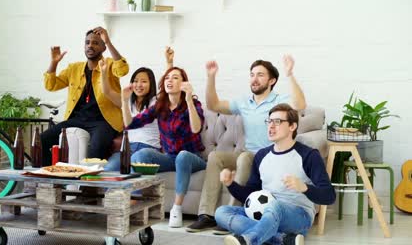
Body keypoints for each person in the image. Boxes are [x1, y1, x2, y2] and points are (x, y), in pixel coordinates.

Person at [187, 55, 307, 233]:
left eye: (260, 75)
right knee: (215, 157)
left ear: (272, 80)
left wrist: (290, 74)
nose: (254, 79)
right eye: (252, 74)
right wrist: (211, 77)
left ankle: (236, 215)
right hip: (248, 152)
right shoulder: (244, 102)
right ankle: (206, 215)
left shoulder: (279, 101)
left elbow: (300, 103)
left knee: (244, 158)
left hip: (266, 155)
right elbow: (213, 105)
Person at [215, 103, 336, 245]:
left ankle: (248, 240)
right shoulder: (261, 155)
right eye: (269, 121)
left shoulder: (308, 155)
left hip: (299, 216)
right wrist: (231, 184)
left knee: (275, 206)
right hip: (265, 212)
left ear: (292, 126)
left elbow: (329, 196)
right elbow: (250, 194)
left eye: (277, 122)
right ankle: (283, 239)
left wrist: (304, 188)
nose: (271, 126)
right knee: (222, 212)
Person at [122, 66, 207, 228]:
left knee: (182, 155)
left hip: (192, 157)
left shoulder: (194, 104)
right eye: (167, 78)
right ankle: (135, 202)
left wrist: (188, 99)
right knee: (141, 155)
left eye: (175, 78)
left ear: (183, 84)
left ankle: (177, 208)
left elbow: (196, 128)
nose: (170, 80)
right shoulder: (160, 106)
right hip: (170, 157)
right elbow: (130, 124)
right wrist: (125, 101)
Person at [41, 27, 129, 166]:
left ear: (103, 48)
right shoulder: (74, 68)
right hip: (77, 119)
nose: (90, 46)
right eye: (87, 42)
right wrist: (54, 63)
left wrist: (109, 42)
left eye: (95, 43)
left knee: (96, 149)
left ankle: (90, 187)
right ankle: (48, 179)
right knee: (42, 140)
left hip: (103, 121)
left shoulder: (109, 64)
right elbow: (51, 85)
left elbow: (123, 69)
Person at [103, 66, 160, 171]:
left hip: (147, 148)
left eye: (144, 81)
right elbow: (107, 92)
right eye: (135, 81)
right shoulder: (127, 101)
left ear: (151, 84)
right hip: (127, 149)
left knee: (132, 173)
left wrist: (169, 63)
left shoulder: (156, 102)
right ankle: (114, 188)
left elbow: (168, 90)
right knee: (108, 170)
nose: (138, 85)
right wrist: (104, 72)